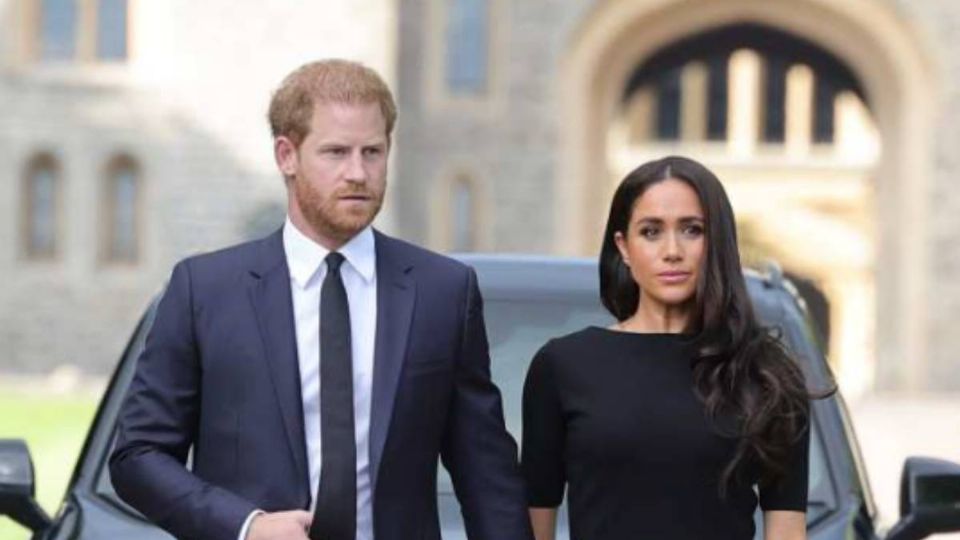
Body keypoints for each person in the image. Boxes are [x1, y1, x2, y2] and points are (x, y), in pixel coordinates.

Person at [109, 59, 533, 540]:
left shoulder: (442, 291)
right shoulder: (204, 290)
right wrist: (246, 527)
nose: (358, 173)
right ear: (286, 155)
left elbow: (486, 472)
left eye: (373, 152)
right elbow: (138, 456)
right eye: (336, 152)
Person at [521, 156, 813, 540]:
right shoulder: (562, 367)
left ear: (717, 241)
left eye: (692, 230)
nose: (672, 250)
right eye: (651, 231)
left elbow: (788, 529)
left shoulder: (766, 373)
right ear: (623, 247)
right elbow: (533, 523)